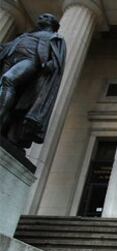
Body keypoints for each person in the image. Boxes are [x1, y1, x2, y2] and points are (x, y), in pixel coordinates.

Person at [0, 13, 66, 150]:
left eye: (45, 17)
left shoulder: (55, 38)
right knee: (4, 85)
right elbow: (5, 47)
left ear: (52, 23)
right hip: (10, 60)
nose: (40, 18)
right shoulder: (25, 35)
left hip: (30, 61)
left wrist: (51, 65)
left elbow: (57, 61)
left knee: (8, 80)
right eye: (40, 16)